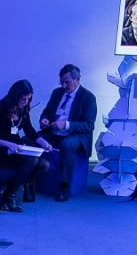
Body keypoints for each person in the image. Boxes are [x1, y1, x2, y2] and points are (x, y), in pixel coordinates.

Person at [0, 79, 49, 213]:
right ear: (15, 96)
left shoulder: (23, 110)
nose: (25, 102)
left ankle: (8, 192)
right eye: (23, 99)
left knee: (44, 165)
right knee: (31, 161)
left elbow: (29, 130)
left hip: (14, 149)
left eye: (28, 99)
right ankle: (10, 195)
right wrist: (8, 144)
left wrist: (43, 142)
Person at [38, 64, 97, 202]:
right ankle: (27, 179)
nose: (64, 86)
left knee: (66, 145)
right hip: (54, 132)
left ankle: (64, 186)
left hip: (76, 136)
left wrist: (66, 124)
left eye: (67, 82)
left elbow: (88, 125)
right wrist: (44, 119)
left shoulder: (88, 97)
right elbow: (47, 112)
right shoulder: (56, 93)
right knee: (28, 139)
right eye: (61, 82)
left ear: (78, 79)